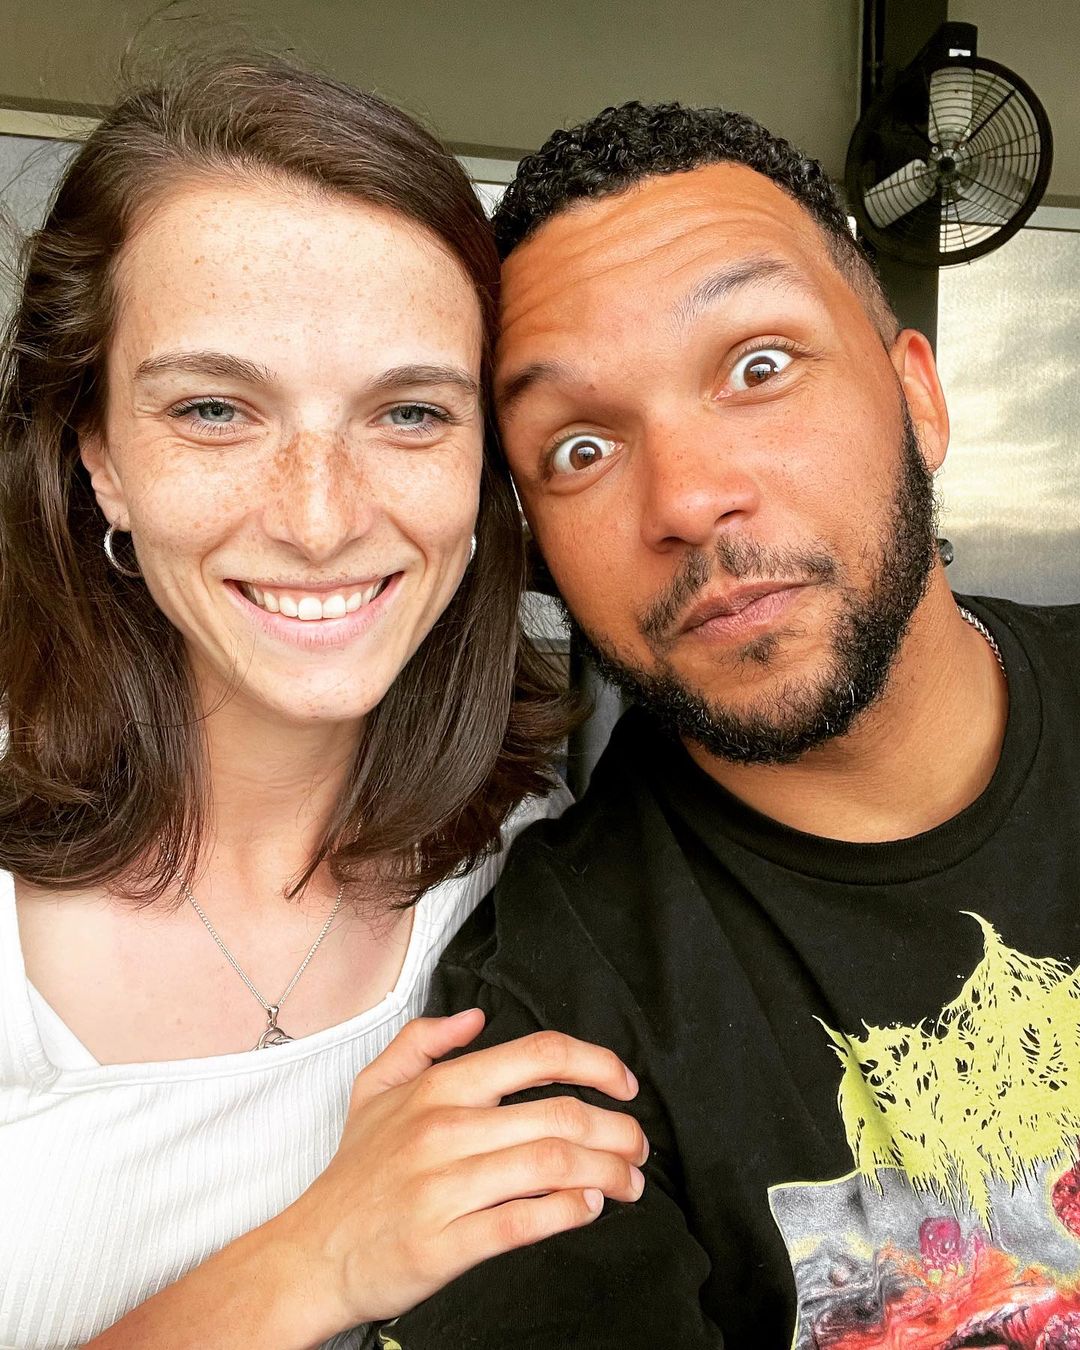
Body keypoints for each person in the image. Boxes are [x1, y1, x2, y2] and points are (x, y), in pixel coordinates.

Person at [376, 101, 1080, 1349]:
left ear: (917, 398)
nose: (691, 500)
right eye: (578, 447)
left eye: (759, 367)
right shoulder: (549, 1023)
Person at [0, 60, 650, 1350]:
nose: (318, 518)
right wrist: (310, 1260)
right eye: (214, 409)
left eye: (408, 413)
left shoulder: (547, 894)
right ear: (99, 455)